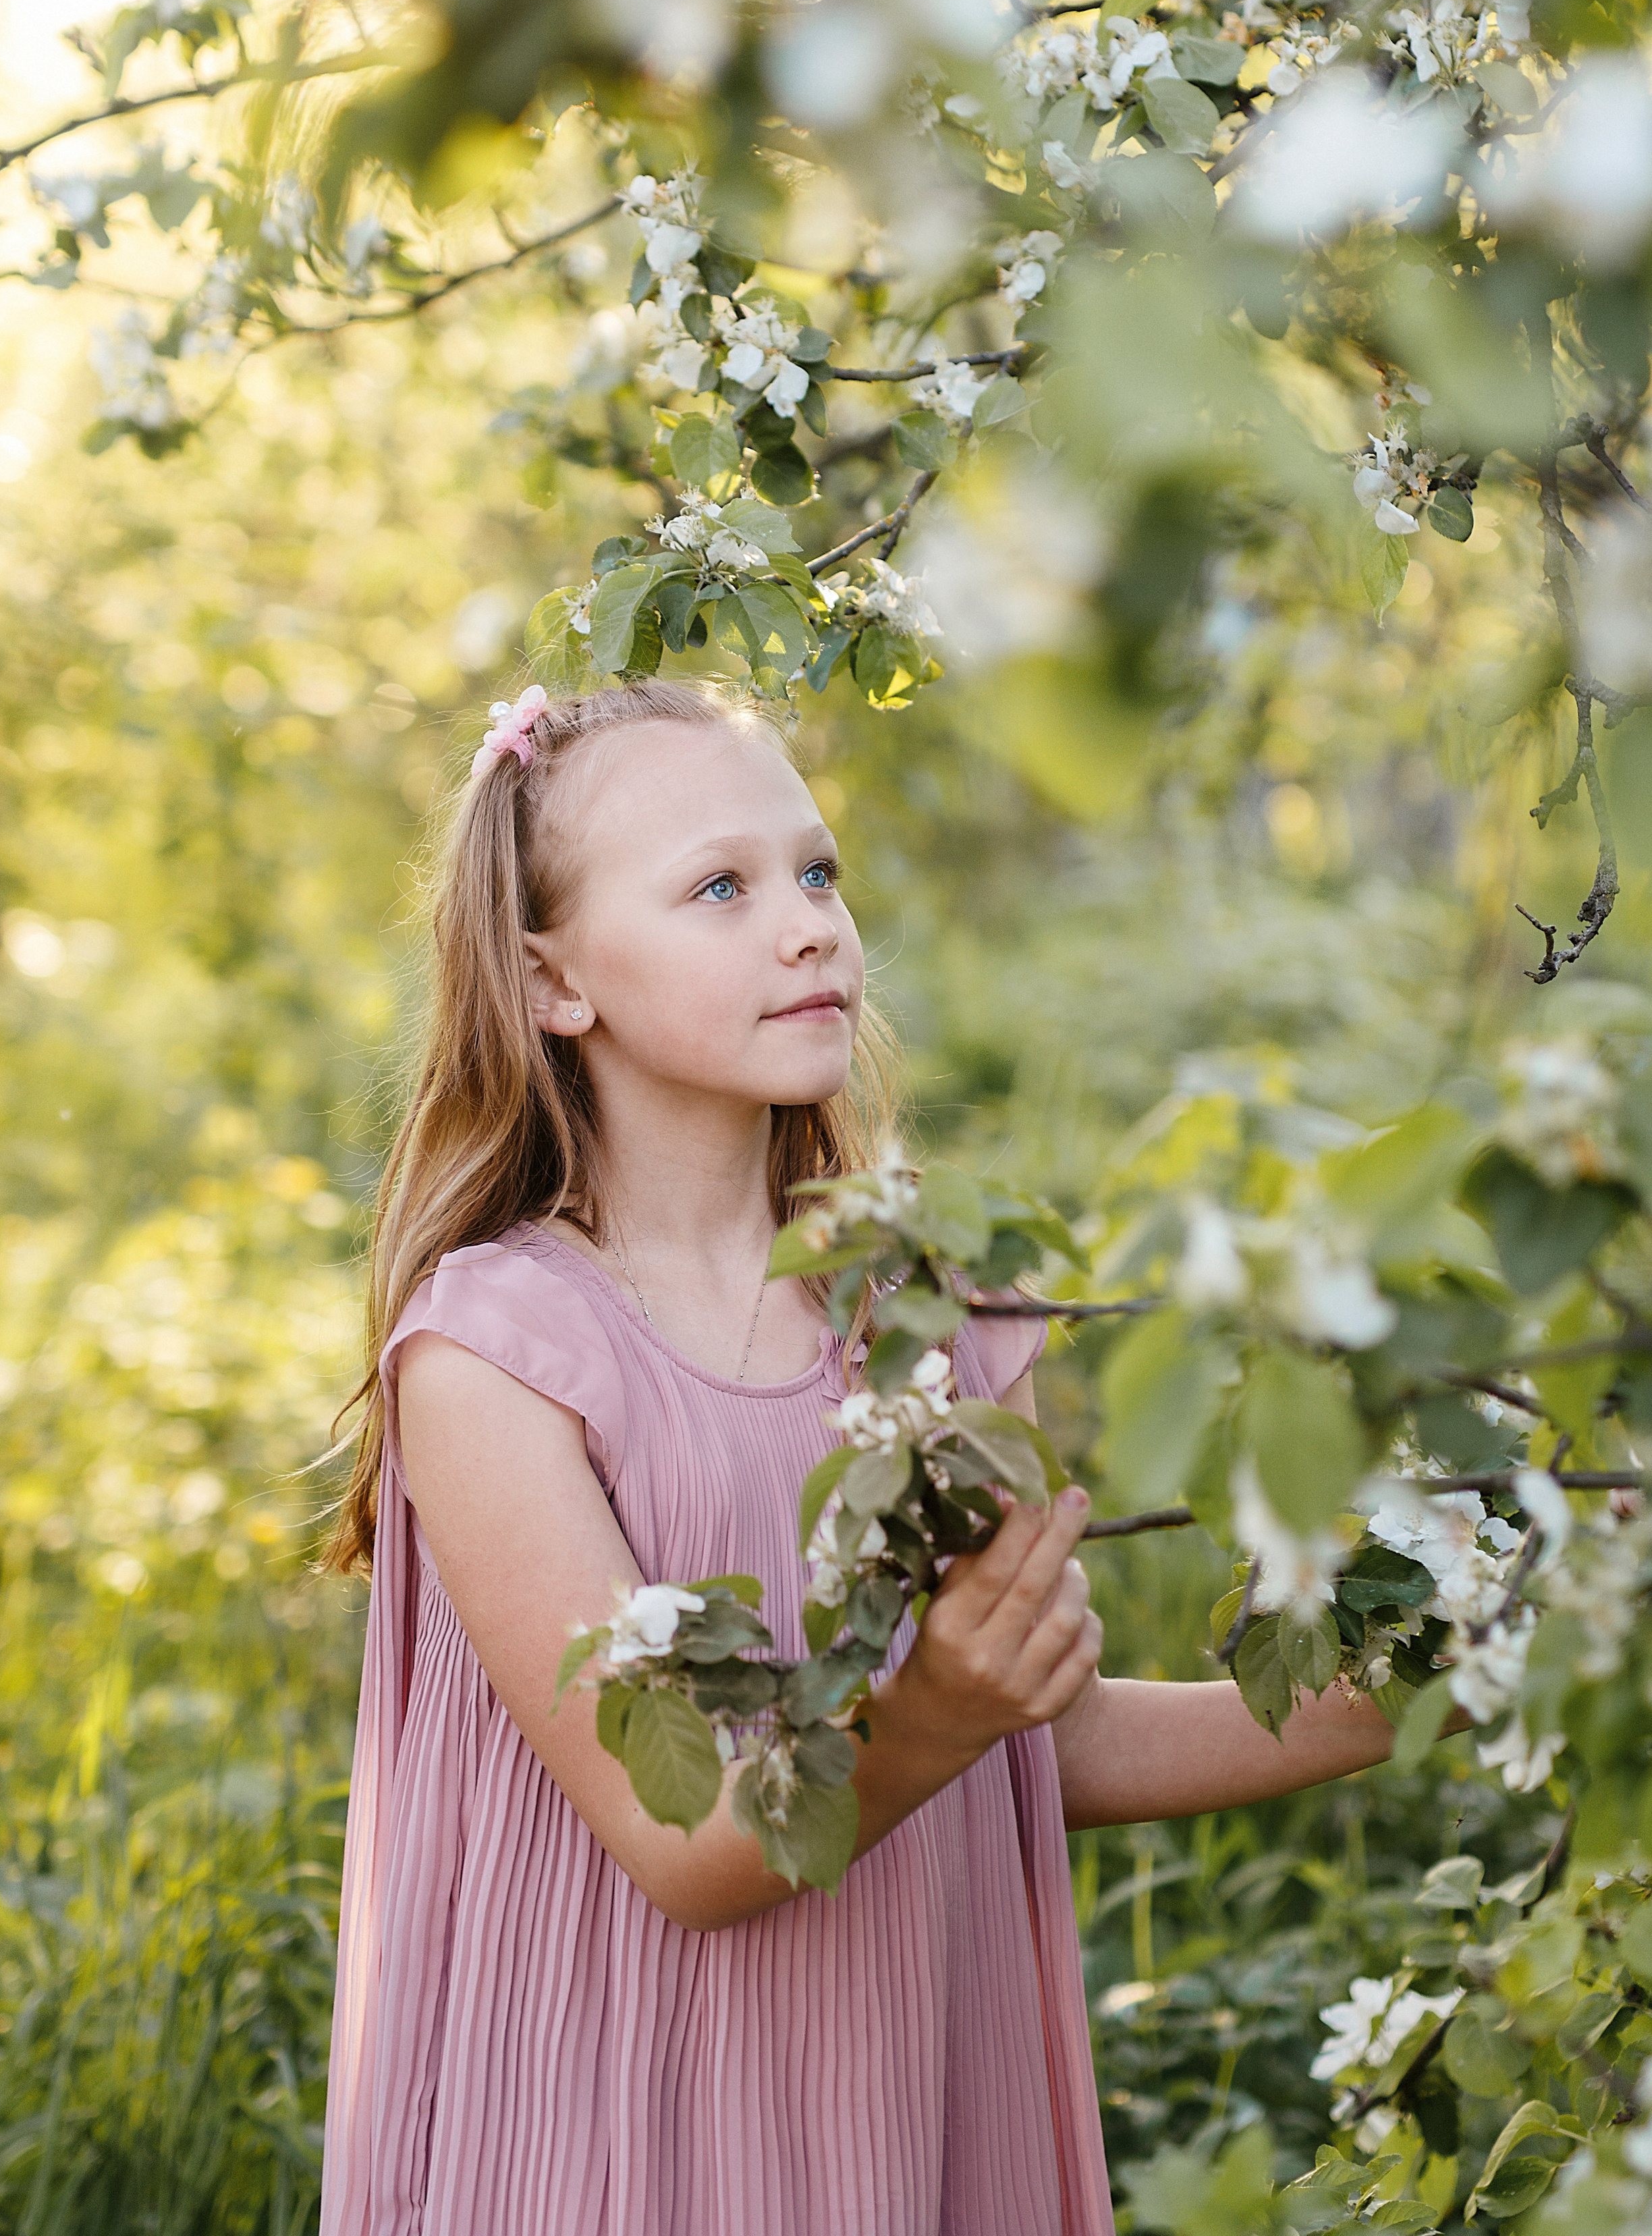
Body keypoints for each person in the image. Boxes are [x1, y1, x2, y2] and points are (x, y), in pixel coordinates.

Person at [319, 678, 1395, 2236]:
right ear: (553, 980)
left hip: (901, 2103)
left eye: (816, 872)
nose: (807, 927)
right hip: (619, 2129)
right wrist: (937, 1705)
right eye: (719, 888)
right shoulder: (496, 1351)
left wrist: (1398, 1691)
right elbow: (686, 1841)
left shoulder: (923, 1317)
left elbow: (1036, 1742)